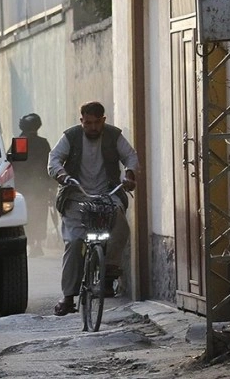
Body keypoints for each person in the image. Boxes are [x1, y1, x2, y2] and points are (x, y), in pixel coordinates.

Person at [47, 101, 139, 316]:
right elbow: (54, 160)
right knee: (74, 241)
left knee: (120, 227)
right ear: (82, 121)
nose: (93, 127)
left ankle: (108, 274)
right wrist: (62, 175)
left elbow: (130, 156)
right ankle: (68, 297)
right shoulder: (70, 137)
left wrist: (130, 174)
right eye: (88, 123)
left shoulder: (113, 136)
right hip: (76, 196)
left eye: (97, 123)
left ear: (103, 121)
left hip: (107, 194)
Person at [11, 113, 55, 257]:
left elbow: (11, 163)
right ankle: (37, 244)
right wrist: (51, 185)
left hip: (24, 186)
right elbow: (50, 165)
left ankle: (31, 244)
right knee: (40, 214)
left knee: (28, 214)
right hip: (39, 186)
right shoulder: (42, 143)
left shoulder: (19, 142)